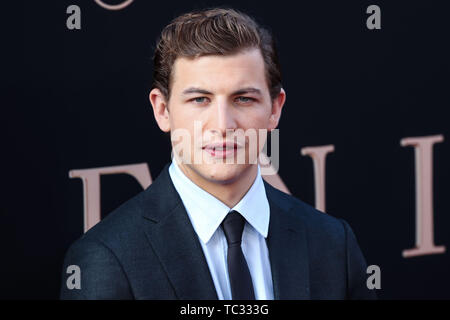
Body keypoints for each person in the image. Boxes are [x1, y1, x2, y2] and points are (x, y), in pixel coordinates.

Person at [60, 7, 376, 300]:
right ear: (162, 110)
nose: (223, 125)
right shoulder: (105, 260)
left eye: (243, 99)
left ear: (274, 109)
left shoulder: (334, 245)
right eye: (200, 99)